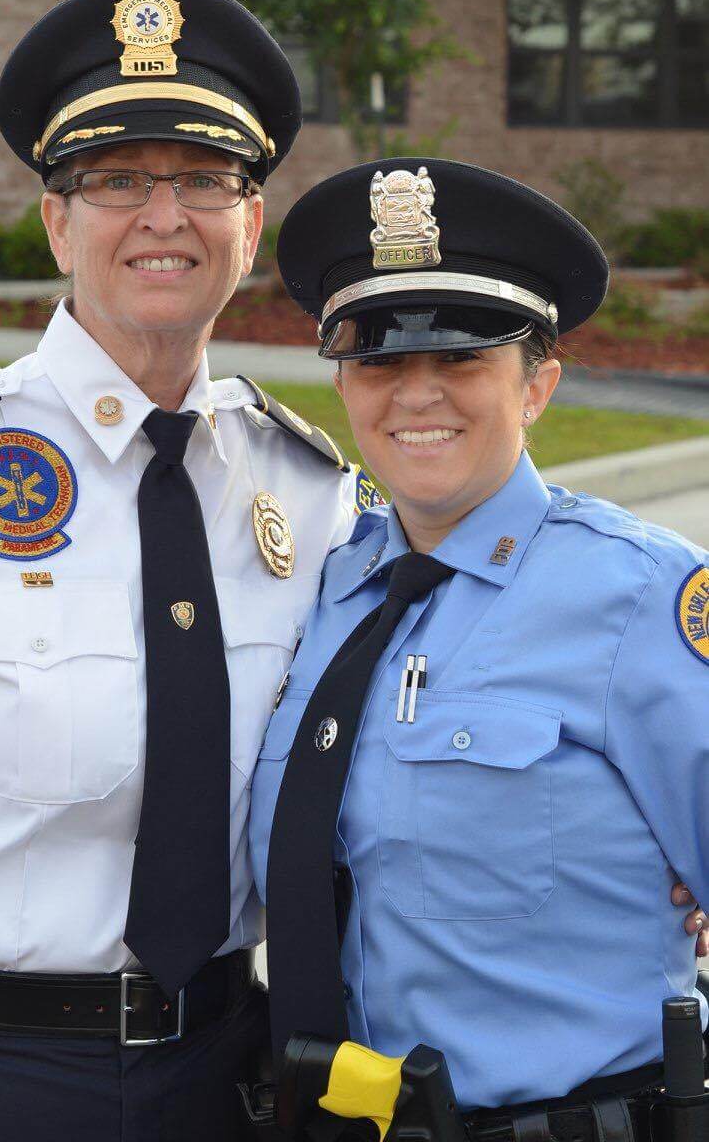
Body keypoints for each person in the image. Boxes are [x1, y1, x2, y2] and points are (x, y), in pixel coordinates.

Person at [0, 0, 368, 1142]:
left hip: (218, 1080)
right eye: (116, 180)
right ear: (56, 220)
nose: (165, 215)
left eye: (205, 179)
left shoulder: (308, 496)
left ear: (250, 221)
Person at [250, 158, 709, 1133]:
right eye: (377, 357)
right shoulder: (329, 586)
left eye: (461, 357)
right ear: (341, 377)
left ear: (539, 381)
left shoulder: (641, 596)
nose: (417, 394)